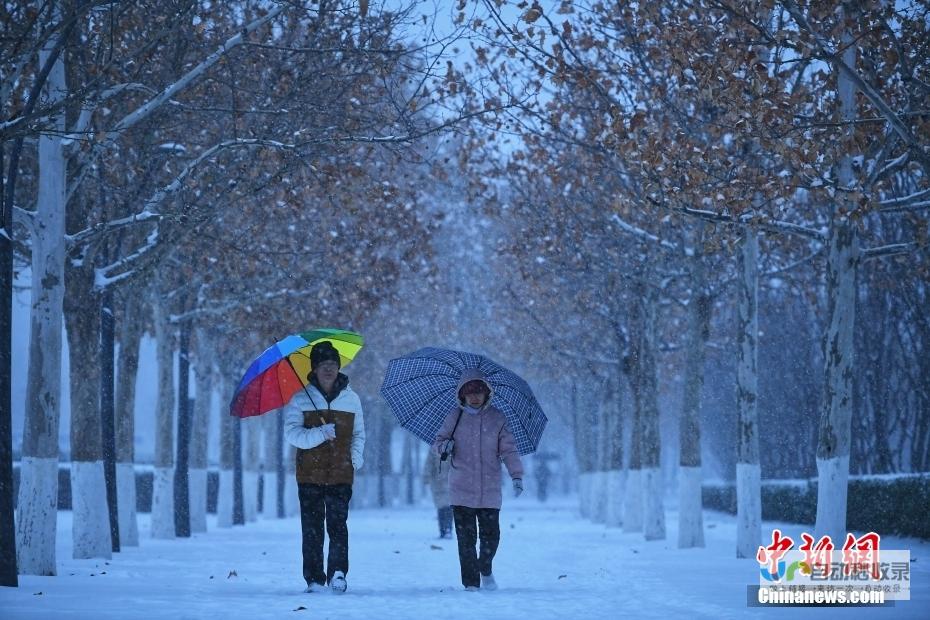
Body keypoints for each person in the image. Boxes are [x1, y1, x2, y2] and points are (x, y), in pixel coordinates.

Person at [283, 340, 365, 594]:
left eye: (333, 364)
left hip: (341, 473)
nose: (329, 369)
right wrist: (319, 433)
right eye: (323, 364)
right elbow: (292, 434)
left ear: (339, 367)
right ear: (314, 368)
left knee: (338, 526)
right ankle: (314, 579)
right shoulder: (300, 398)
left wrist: (354, 459)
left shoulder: (352, 399)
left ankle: (338, 573)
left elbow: (359, 434)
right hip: (309, 475)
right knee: (312, 529)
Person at [432, 369, 524, 592]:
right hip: (461, 489)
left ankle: (485, 568)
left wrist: (516, 475)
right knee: (466, 540)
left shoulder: (498, 418)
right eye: (469, 392)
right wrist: (446, 447)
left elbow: (509, 450)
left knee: (491, 538)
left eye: (479, 392)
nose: (474, 397)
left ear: (486, 394)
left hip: (490, 490)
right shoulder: (455, 417)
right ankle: (471, 583)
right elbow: (438, 443)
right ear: (462, 395)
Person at [422, 449, 452, 538]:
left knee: (448, 506)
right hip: (438, 483)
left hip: (450, 482)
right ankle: (444, 529)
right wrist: (426, 476)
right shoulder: (433, 449)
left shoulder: (454, 447)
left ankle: (447, 528)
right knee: (442, 506)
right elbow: (429, 464)